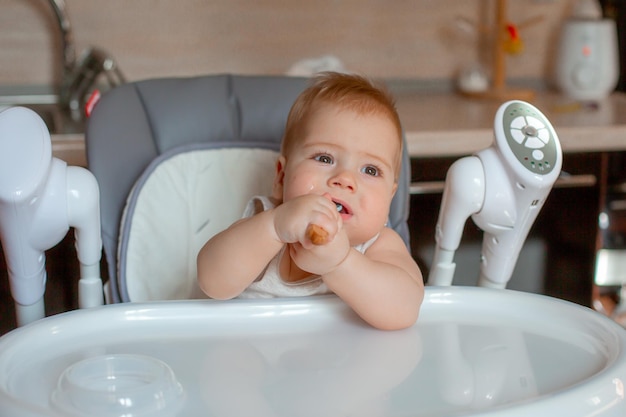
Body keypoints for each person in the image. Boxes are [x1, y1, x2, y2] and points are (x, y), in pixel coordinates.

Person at [197, 72, 424, 330]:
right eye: (324, 159)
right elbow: (211, 281)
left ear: (389, 196)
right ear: (281, 177)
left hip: (340, 366)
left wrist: (339, 263)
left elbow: (405, 310)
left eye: (370, 170)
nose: (345, 179)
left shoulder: (379, 246)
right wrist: (274, 227)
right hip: (256, 356)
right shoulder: (264, 223)